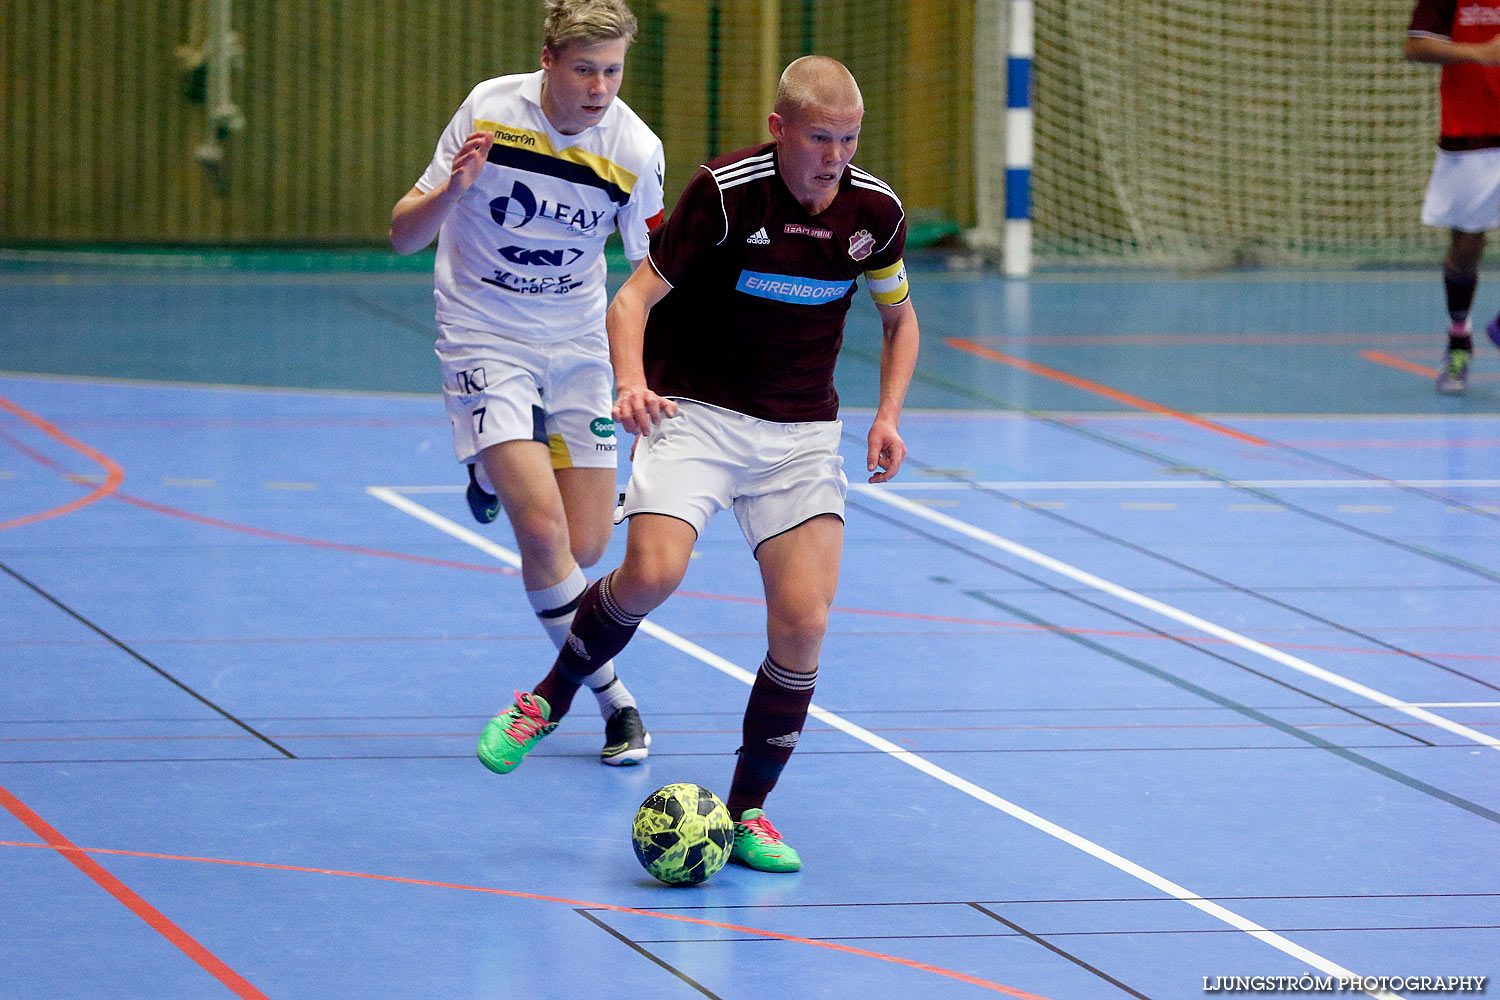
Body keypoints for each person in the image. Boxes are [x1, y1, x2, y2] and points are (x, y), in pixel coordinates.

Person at [474, 54, 921, 873]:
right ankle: (550, 696)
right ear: (779, 129)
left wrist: (887, 414)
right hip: (698, 416)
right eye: (820, 137)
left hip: (800, 436)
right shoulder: (724, 192)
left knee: (804, 623)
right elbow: (632, 299)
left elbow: (900, 319)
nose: (836, 156)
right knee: (650, 571)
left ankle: (749, 813)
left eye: (850, 139)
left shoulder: (875, 212)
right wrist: (634, 385)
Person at [389, 0, 663, 765]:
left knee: (584, 545)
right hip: (483, 331)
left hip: (579, 343)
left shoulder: (636, 148)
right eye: (584, 69)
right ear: (548, 59)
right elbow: (403, 232)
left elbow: (652, 273)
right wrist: (452, 191)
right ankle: (617, 705)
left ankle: (489, 463)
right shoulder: (489, 110)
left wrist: (642, 374)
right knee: (540, 532)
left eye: (612, 71)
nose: (600, 88)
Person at [1406, 0, 1500, 394]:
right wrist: (1479, 53)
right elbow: (1416, 46)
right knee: (1465, 248)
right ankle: (1458, 338)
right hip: (1472, 132)